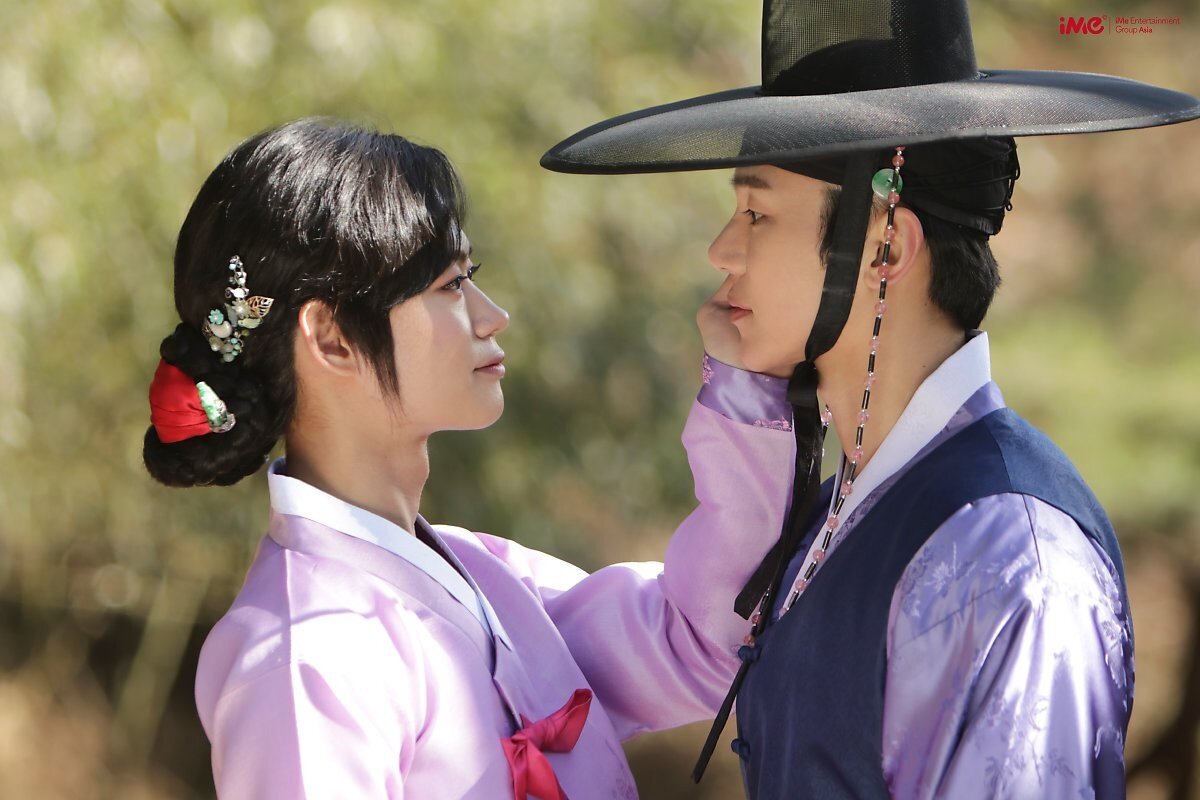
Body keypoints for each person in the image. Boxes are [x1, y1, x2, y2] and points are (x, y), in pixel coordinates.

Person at [541, 0, 1200, 797]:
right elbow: (682, 634)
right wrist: (747, 395)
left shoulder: (1010, 553)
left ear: (886, 245)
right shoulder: (843, 512)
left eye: (756, 212)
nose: (721, 249)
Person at [142, 118, 799, 798]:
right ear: (332, 338)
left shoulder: (487, 578)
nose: (493, 315)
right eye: (451, 285)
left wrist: (748, 383)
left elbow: (707, 641)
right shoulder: (307, 655)